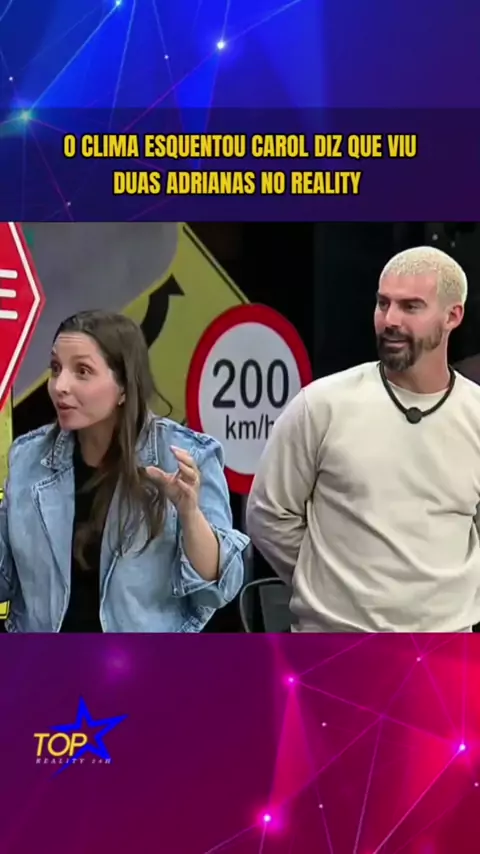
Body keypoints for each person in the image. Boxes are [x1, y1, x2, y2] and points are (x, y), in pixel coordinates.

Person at [246, 246, 480, 633]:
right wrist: (329, 585)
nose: (390, 320)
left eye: (410, 307)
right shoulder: (322, 405)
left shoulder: (474, 415)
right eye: (383, 303)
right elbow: (268, 514)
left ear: (452, 316)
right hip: (335, 646)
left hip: (444, 651)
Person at [0, 310, 249, 632]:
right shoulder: (28, 458)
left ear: (124, 386)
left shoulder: (185, 455)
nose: (60, 386)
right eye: (56, 368)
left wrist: (189, 513)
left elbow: (218, 589)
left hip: (144, 660)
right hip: (44, 659)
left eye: (82, 371)